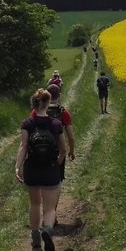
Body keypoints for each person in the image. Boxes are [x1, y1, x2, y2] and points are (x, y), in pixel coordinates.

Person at [15, 88, 67, 251]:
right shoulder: (56, 124)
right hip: (50, 170)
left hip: (32, 169)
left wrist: (18, 166)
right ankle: (48, 230)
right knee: (50, 208)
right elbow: (63, 150)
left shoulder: (27, 123)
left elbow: (23, 146)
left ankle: (36, 237)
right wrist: (56, 164)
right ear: (47, 103)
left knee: (35, 204)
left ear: (34, 104)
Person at [30, 84, 75, 224]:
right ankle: (51, 215)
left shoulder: (35, 112)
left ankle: (44, 214)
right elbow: (71, 136)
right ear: (59, 95)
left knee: (40, 184)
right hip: (56, 155)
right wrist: (71, 151)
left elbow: (29, 132)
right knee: (55, 184)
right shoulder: (63, 113)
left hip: (37, 153)